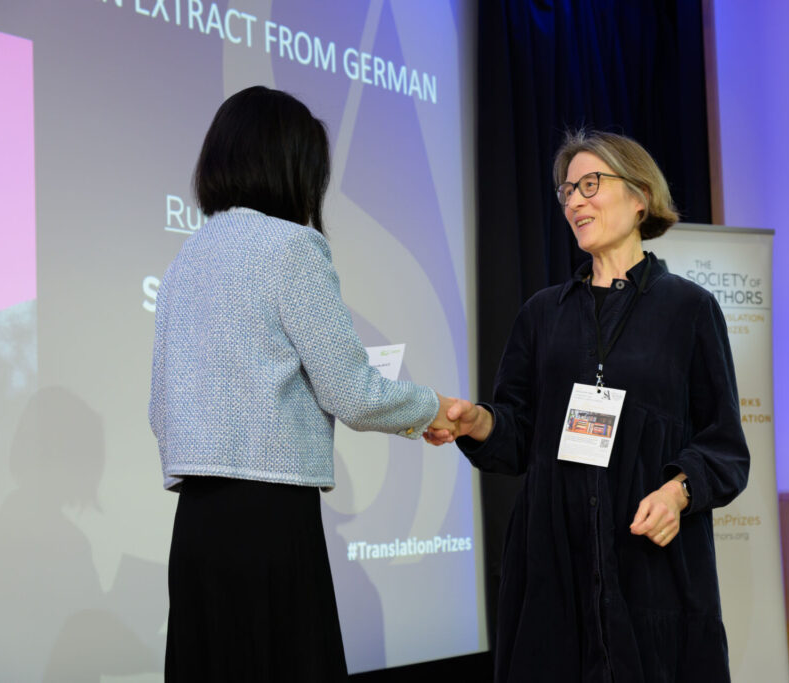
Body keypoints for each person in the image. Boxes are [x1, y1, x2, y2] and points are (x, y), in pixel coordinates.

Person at [149, 86, 456, 681]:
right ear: (290, 166)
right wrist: (431, 408)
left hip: (195, 527)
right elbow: (351, 391)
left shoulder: (183, 260)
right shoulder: (293, 248)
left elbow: (161, 410)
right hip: (268, 522)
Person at [431, 130, 750, 682]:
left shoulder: (689, 310)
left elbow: (724, 446)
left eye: (590, 184)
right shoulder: (542, 314)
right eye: (566, 191)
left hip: (650, 559)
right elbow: (517, 434)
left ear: (640, 196)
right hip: (554, 562)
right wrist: (479, 421)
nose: (575, 201)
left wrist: (679, 492)